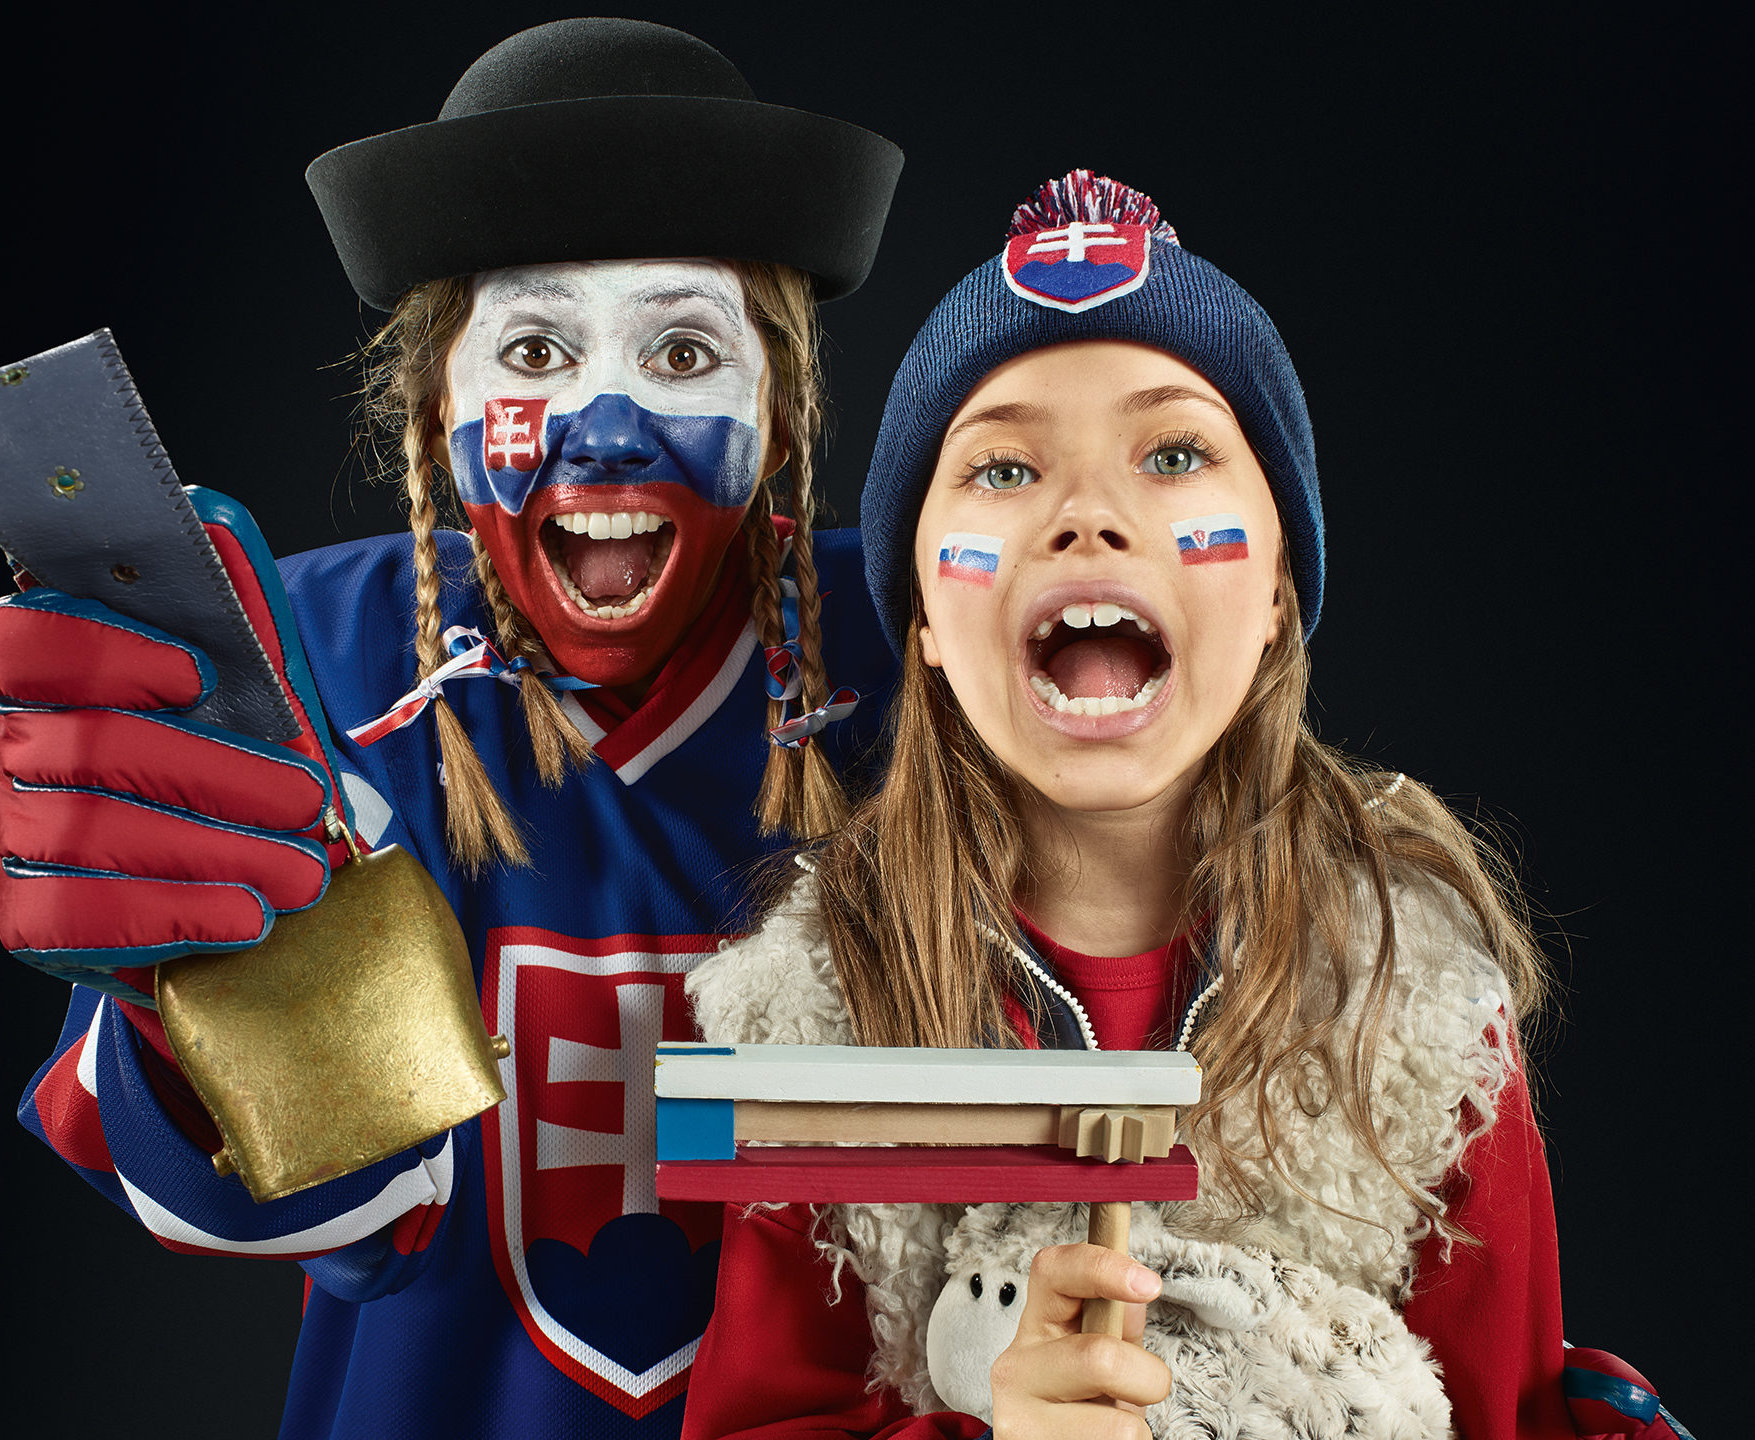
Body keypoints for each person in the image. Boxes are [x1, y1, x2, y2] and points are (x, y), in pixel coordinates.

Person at [0, 19, 901, 1437]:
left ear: (779, 411)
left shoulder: (924, 656)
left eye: (683, 350)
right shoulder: (318, 661)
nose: (604, 428)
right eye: (533, 346)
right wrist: (180, 998)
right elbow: (349, 1223)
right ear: (432, 402)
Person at [681, 171, 1598, 1438]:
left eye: (1174, 454)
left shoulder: (1415, 1002)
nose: (1088, 517)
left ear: (1279, 584)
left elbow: (1508, 1413)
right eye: (1002, 467)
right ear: (928, 622)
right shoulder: (820, 1006)